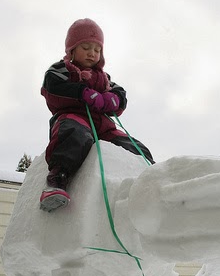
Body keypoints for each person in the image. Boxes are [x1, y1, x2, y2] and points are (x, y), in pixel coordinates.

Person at [39, 18, 154, 212]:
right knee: (74, 135)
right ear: (72, 49)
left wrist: (113, 99)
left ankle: (152, 177)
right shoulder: (61, 70)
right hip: (73, 116)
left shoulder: (104, 78)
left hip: (103, 125)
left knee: (131, 145)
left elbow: (120, 93)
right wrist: (81, 92)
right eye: (86, 47)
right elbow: (52, 86)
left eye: (97, 49)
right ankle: (57, 180)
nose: (92, 53)